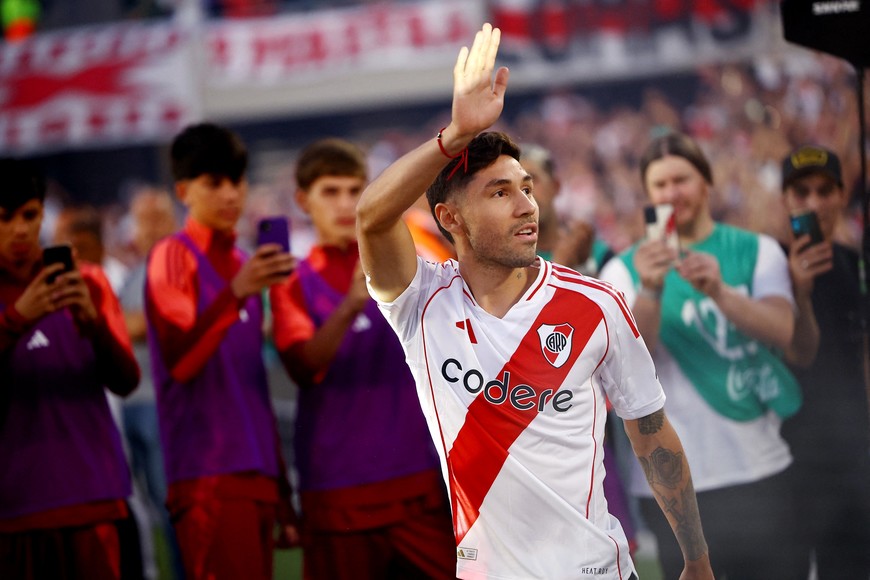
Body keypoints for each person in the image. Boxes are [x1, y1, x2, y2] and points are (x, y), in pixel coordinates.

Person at [356, 24, 713, 579]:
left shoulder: (597, 305)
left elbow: (652, 436)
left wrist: (696, 557)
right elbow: (372, 217)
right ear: (449, 219)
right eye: (500, 193)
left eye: (526, 188)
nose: (527, 205)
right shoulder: (420, 302)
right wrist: (455, 135)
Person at [599, 131, 803, 579]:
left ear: (707, 183)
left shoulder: (754, 250)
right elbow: (624, 370)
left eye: (682, 180)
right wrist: (650, 289)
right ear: (647, 196)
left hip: (758, 465)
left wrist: (720, 291)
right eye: (660, 185)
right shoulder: (624, 269)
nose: (672, 194)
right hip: (671, 490)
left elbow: (783, 331)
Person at [269, 138, 457, 579]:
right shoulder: (292, 281)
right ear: (303, 201)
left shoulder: (407, 262)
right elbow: (301, 366)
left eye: (355, 191)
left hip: (418, 481)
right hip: (338, 490)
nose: (345, 204)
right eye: (330, 192)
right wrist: (352, 304)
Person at [144, 122, 298, 580]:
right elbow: (181, 363)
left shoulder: (241, 265)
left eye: (238, 180)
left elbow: (252, 387)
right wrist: (235, 294)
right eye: (215, 183)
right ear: (183, 190)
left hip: (257, 477)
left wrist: (282, 489)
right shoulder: (173, 256)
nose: (231, 194)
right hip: (207, 476)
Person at [0, 158, 142, 579]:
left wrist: (93, 324)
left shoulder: (89, 281)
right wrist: (17, 319)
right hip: (15, 508)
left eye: (30, 215)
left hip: (93, 498)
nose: (21, 230)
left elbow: (126, 380)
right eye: (6, 218)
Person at [779, 145, 870, 578]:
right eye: (801, 192)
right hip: (786, 456)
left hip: (852, 456)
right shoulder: (768, 265)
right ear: (786, 200)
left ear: (839, 195)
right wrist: (798, 290)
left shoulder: (857, 265)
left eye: (824, 190)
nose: (813, 203)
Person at [118, 186, 184, 579]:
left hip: (160, 400)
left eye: (158, 217)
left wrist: (114, 323)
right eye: (144, 219)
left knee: (168, 504)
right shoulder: (132, 274)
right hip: (133, 401)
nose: (151, 227)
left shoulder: (173, 266)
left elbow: (136, 326)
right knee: (153, 508)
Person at [519, 143, 613, 274]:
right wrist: (561, 265)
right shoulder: (510, 263)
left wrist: (583, 264)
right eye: (517, 187)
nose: (525, 193)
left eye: (533, 179)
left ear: (555, 186)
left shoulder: (598, 254)